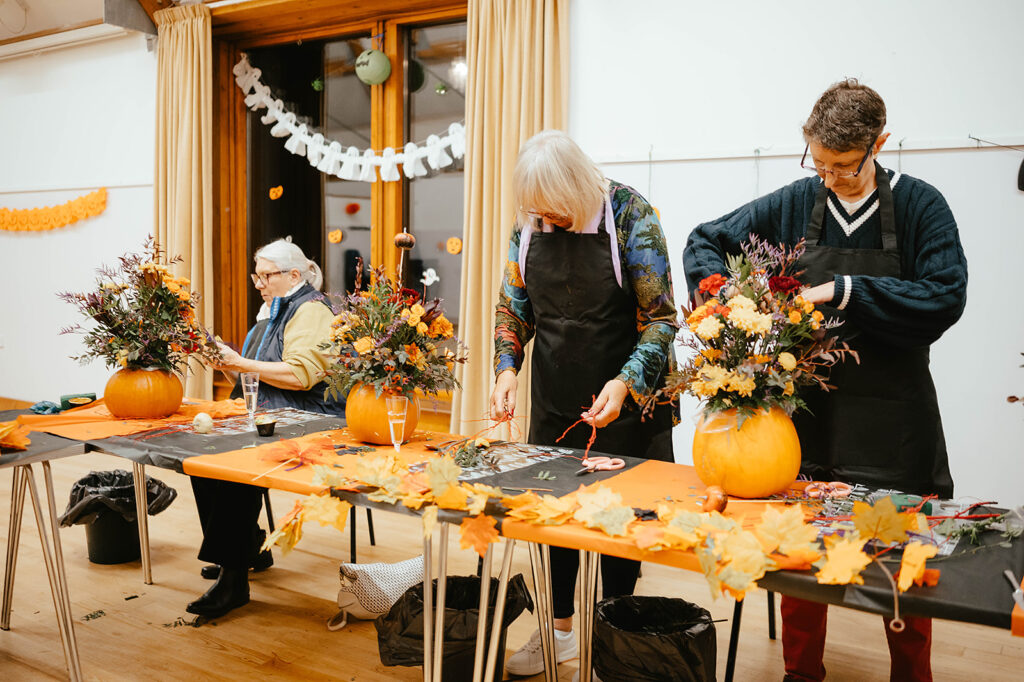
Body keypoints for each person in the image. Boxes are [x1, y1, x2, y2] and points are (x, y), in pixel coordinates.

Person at [683, 79, 968, 682]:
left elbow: (944, 296)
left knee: (901, 566)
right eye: (819, 163)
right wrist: (728, 295)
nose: (830, 176)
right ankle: (800, 673)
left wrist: (846, 290)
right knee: (799, 558)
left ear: (878, 145)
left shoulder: (921, 206)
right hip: (808, 415)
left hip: (894, 420)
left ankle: (911, 675)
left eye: (842, 165)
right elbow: (705, 240)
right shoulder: (792, 204)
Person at [490, 130, 678, 677]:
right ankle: (561, 632)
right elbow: (512, 309)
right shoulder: (528, 225)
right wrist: (507, 368)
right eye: (537, 209)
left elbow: (662, 319)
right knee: (553, 519)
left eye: (555, 208)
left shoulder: (631, 215)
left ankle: (617, 638)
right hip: (555, 397)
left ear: (577, 189)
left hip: (629, 399)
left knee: (621, 528)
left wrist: (626, 383)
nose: (545, 217)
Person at [186, 237, 345, 619]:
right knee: (198, 457)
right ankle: (248, 546)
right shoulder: (271, 311)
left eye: (265, 276)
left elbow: (300, 375)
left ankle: (234, 577)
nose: (258, 284)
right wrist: (224, 362)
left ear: (294, 275)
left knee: (227, 461)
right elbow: (253, 373)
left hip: (311, 417)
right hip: (271, 412)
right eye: (255, 277)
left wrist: (240, 363)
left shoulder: (311, 310)